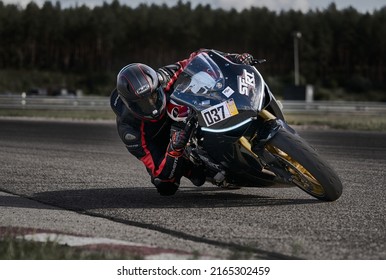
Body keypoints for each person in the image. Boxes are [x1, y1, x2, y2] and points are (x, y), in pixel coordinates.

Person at [110, 49, 254, 196]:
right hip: (163, 143)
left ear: (157, 84)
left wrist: (233, 58)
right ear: (129, 104)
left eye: (153, 96)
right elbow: (158, 169)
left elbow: (198, 57)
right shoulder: (129, 129)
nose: (152, 105)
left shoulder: (164, 77)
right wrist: (174, 147)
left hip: (183, 115)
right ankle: (196, 166)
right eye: (143, 104)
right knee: (166, 185)